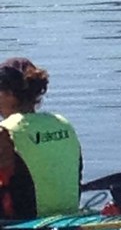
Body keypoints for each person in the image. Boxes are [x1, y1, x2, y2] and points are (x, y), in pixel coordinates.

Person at [0, 57, 82, 220]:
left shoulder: (5, 132)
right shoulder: (62, 123)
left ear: (10, 94)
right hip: (68, 216)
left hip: (23, 222)